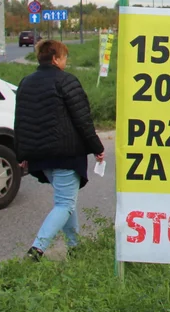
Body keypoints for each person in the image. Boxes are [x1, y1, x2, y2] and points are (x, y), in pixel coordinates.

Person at [15, 40, 105, 260]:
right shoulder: (66, 81)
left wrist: (22, 154)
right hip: (66, 153)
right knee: (65, 203)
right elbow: (83, 120)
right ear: (55, 58)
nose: (66, 61)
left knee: (66, 202)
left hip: (40, 156)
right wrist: (97, 148)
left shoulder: (26, 82)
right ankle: (37, 249)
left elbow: (21, 121)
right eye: (64, 57)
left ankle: (75, 246)